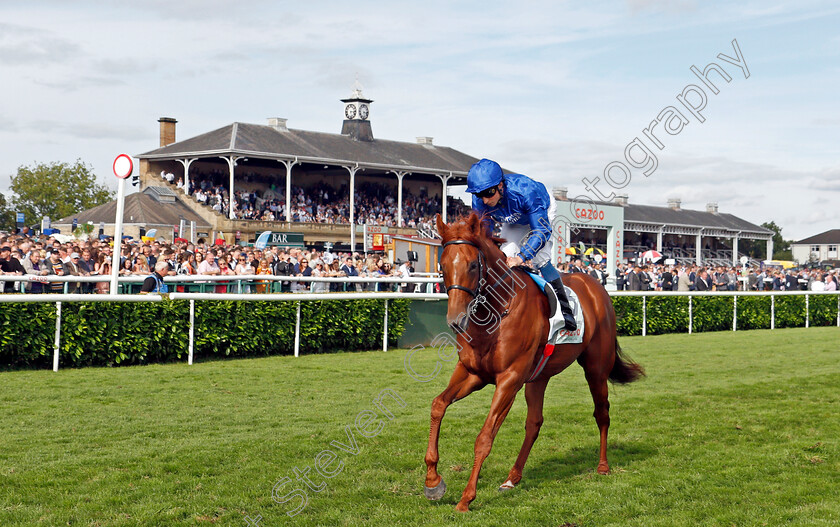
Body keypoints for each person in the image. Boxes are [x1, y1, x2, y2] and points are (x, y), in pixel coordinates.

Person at [467, 158, 575, 330]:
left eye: (488, 193)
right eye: (480, 194)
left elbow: (541, 231)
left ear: (500, 186)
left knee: (541, 259)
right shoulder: (479, 200)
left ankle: (565, 311)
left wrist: (522, 257)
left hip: (540, 211)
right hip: (514, 218)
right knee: (505, 255)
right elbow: (484, 236)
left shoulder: (526, 191)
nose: (485, 200)